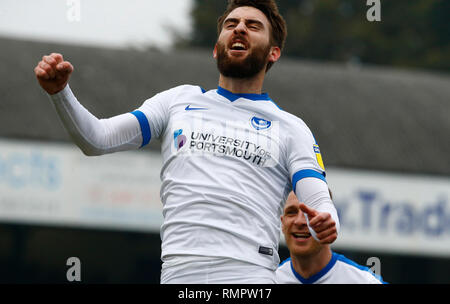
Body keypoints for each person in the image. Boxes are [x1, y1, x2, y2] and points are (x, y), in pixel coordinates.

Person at [34, 0, 339, 284]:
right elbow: (97, 139)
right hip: (179, 278)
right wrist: (60, 93)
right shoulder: (177, 101)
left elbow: (318, 199)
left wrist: (328, 220)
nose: (240, 28)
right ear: (216, 49)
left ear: (273, 52)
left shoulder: (291, 128)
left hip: (247, 279)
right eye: (231, 24)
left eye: (253, 25)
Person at [277, 191, 386, 284]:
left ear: (329, 222)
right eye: (291, 212)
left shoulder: (365, 281)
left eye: (310, 213)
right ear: (282, 223)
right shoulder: (268, 279)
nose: (299, 221)